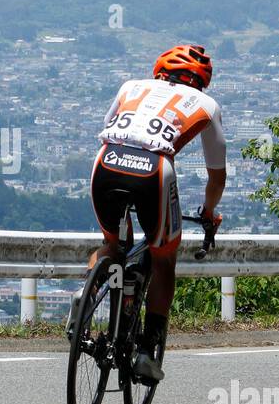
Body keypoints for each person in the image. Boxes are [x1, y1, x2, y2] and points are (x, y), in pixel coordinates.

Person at [80, 44, 226, 382]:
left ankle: (83, 299)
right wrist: (209, 212)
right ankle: (147, 351)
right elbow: (216, 175)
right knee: (163, 260)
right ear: (201, 82)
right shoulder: (207, 105)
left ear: (159, 70)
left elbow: (109, 127)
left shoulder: (131, 86)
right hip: (154, 170)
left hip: (107, 161)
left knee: (113, 246)